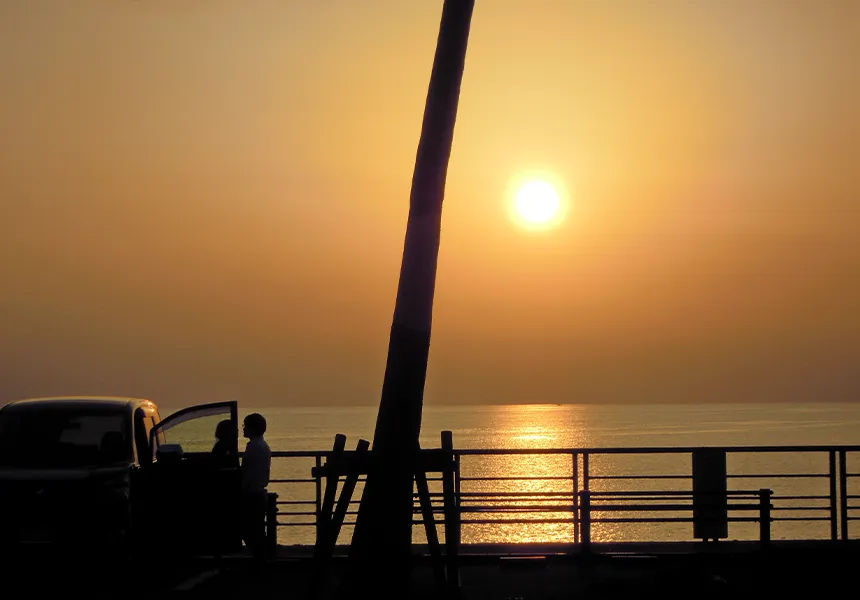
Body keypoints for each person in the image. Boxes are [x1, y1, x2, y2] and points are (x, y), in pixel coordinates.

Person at [240, 412, 271, 560]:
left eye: (245, 426)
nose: (243, 429)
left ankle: (261, 560)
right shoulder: (262, 445)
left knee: (250, 531)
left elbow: (248, 472)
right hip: (258, 493)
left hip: (252, 495)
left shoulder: (254, 447)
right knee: (257, 530)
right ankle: (262, 560)